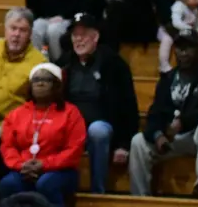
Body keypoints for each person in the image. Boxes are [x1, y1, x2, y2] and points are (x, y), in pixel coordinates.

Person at [129, 29, 198, 200]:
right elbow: (155, 112)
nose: (183, 53)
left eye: (189, 48)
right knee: (138, 142)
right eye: (180, 48)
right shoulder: (168, 79)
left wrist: (184, 121)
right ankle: (140, 199)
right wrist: (157, 134)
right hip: (184, 138)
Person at [58, 12, 138, 195]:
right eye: (75, 35)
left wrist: (124, 144)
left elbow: (128, 105)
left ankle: (97, 193)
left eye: (83, 34)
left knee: (98, 130)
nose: (78, 40)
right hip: (70, 127)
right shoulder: (64, 63)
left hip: (101, 129)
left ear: (96, 37)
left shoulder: (114, 64)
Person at [0, 63, 85, 206]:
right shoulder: (17, 114)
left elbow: (74, 149)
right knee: (8, 184)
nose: (40, 83)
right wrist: (21, 165)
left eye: (46, 80)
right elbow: (8, 146)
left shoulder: (71, 113)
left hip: (60, 171)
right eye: (36, 80)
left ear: (56, 85)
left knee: (46, 184)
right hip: (24, 168)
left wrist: (44, 164)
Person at [0, 7, 47, 122]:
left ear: (30, 33)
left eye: (23, 30)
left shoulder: (39, 63)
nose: (16, 34)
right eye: (13, 28)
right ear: (5, 29)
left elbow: (40, 107)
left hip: (12, 124)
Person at [158, 0, 198, 73]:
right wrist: (189, 29)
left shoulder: (195, 10)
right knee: (167, 40)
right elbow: (176, 23)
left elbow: (197, 25)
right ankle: (163, 65)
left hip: (181, 33)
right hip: (167, 31)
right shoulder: (178, 6)